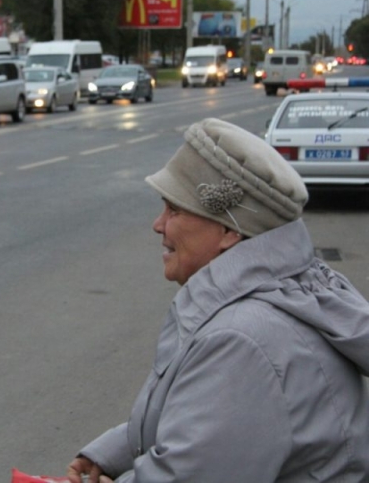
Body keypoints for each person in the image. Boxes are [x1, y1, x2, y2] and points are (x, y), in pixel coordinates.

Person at [67, 118, 369, 482]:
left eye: (174, 209)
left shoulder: (242, 341)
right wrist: (117, 450)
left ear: (228, 231)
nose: (158, 224)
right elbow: (217, 425)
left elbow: (191, 473)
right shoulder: (288, 286)